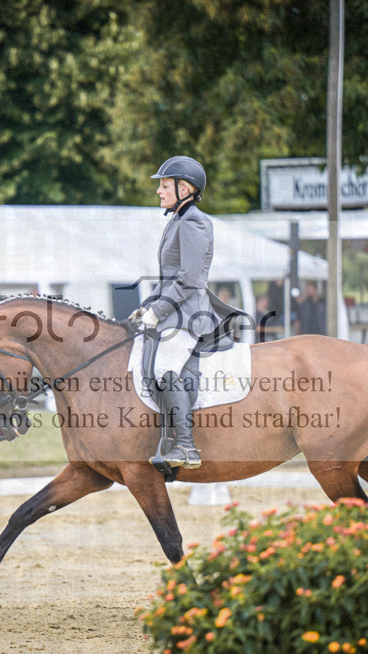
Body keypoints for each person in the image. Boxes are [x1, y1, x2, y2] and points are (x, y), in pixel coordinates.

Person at [129, 155, 244, 471]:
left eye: (165, 185)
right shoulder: (176, 221)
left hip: (189, 314)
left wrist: (160, 309)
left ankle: (186, 446)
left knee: (166, 368)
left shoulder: (193, 222)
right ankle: (166, 438)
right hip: (173, 310)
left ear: (186, 188)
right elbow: (168, 278)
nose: (159, 191)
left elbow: (189, 279)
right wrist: (146, 307)